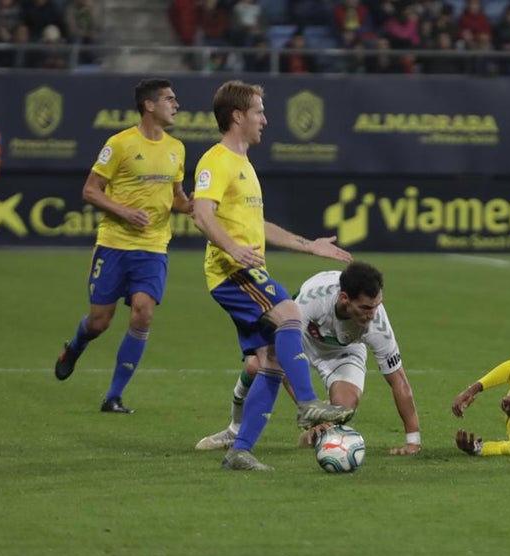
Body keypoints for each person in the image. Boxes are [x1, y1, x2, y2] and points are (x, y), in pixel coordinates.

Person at [191, 79, 355, 472]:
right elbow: (201, 212)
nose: (265, 119)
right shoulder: (217, 159)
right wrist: (231, 249)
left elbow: (258, 225)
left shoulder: (243, 164)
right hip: (234, 273)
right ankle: (307, 404)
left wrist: (308, 245)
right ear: (237, 116)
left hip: (245, 270)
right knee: (291, 315)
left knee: (271, 359)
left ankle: (240, 451)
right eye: (259, 111)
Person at [53, 79, 192, 413]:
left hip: (154, 247)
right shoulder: (120, 144)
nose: (176, 105)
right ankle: (74, 347)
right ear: (149, 105)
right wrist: (124, 211)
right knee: (100, 322)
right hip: (114, 245)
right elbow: (90, 190)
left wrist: (197, 206)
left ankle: (114, 395)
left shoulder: (177, 148)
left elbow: (177, 198)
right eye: (170, 99)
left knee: (143, 313)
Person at [195, 261, 423, 456]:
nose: (371, 314)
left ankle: (314, 436)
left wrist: (413, 442)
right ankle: (234, 431)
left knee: (343, 409)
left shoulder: (377, 324)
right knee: (257, 366)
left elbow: (398, 381)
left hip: (344, 350)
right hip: (300, 338)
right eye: (365, 307)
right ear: (344, 298)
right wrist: (312, 413)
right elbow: (283, 352)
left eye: (376, 306)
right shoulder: (312, 302)